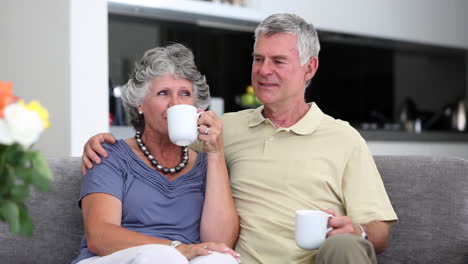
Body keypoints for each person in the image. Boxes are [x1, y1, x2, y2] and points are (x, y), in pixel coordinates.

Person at [82, 14, 398, 264]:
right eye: (258, 59)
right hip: (232, 260)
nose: (263, 70)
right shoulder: (222, 129)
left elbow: (379, 232)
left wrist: (356, 230)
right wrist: (99, 142)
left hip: (312, 257)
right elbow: (157, 148)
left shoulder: (343, 138)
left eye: (278, 61)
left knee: (346, 246)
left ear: (309, 68)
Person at [71, 43, 240, 264]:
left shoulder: (207, 165)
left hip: (180, 259)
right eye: (163, 93)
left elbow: (219, 241)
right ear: (139, 103)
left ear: (196, 106)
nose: (175, 104)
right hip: (113, 258)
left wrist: (216, 153)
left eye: (185, 94)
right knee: (160, 257)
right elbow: (99, 236)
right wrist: (176, 249)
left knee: (220, 259)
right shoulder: (109, 154)